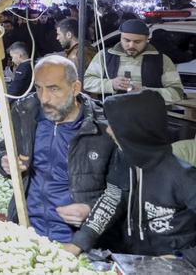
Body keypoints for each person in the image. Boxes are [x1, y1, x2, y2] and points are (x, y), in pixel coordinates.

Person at [64, 90, 196, 263]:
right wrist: (78, 243)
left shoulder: (183, 177)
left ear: (134, 130)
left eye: (114, 125)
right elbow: (112, 200)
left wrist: (184, 258)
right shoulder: (124, 160)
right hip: (133, 261)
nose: (108, 130)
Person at [0, 55, 115, 245]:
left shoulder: (103, 129)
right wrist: (4, 161)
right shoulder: (25, 112)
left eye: (53, 89)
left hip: (76, 240)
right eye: (39, 88)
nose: (44, 98)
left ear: (75, 88)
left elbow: (122, 192)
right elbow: (5, 149)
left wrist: (90, 209)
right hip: (28, 232)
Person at [83, 19, 184, 101]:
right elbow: (87, 82)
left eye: (137, 42)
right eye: (126, 40)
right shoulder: (104, 56)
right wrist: (111, 84)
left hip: (148, 120)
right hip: (111, 118)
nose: (131, 45)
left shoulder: (162, 60)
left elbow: (177, 92)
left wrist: (145, 92)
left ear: (147, 40)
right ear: (121, 38)